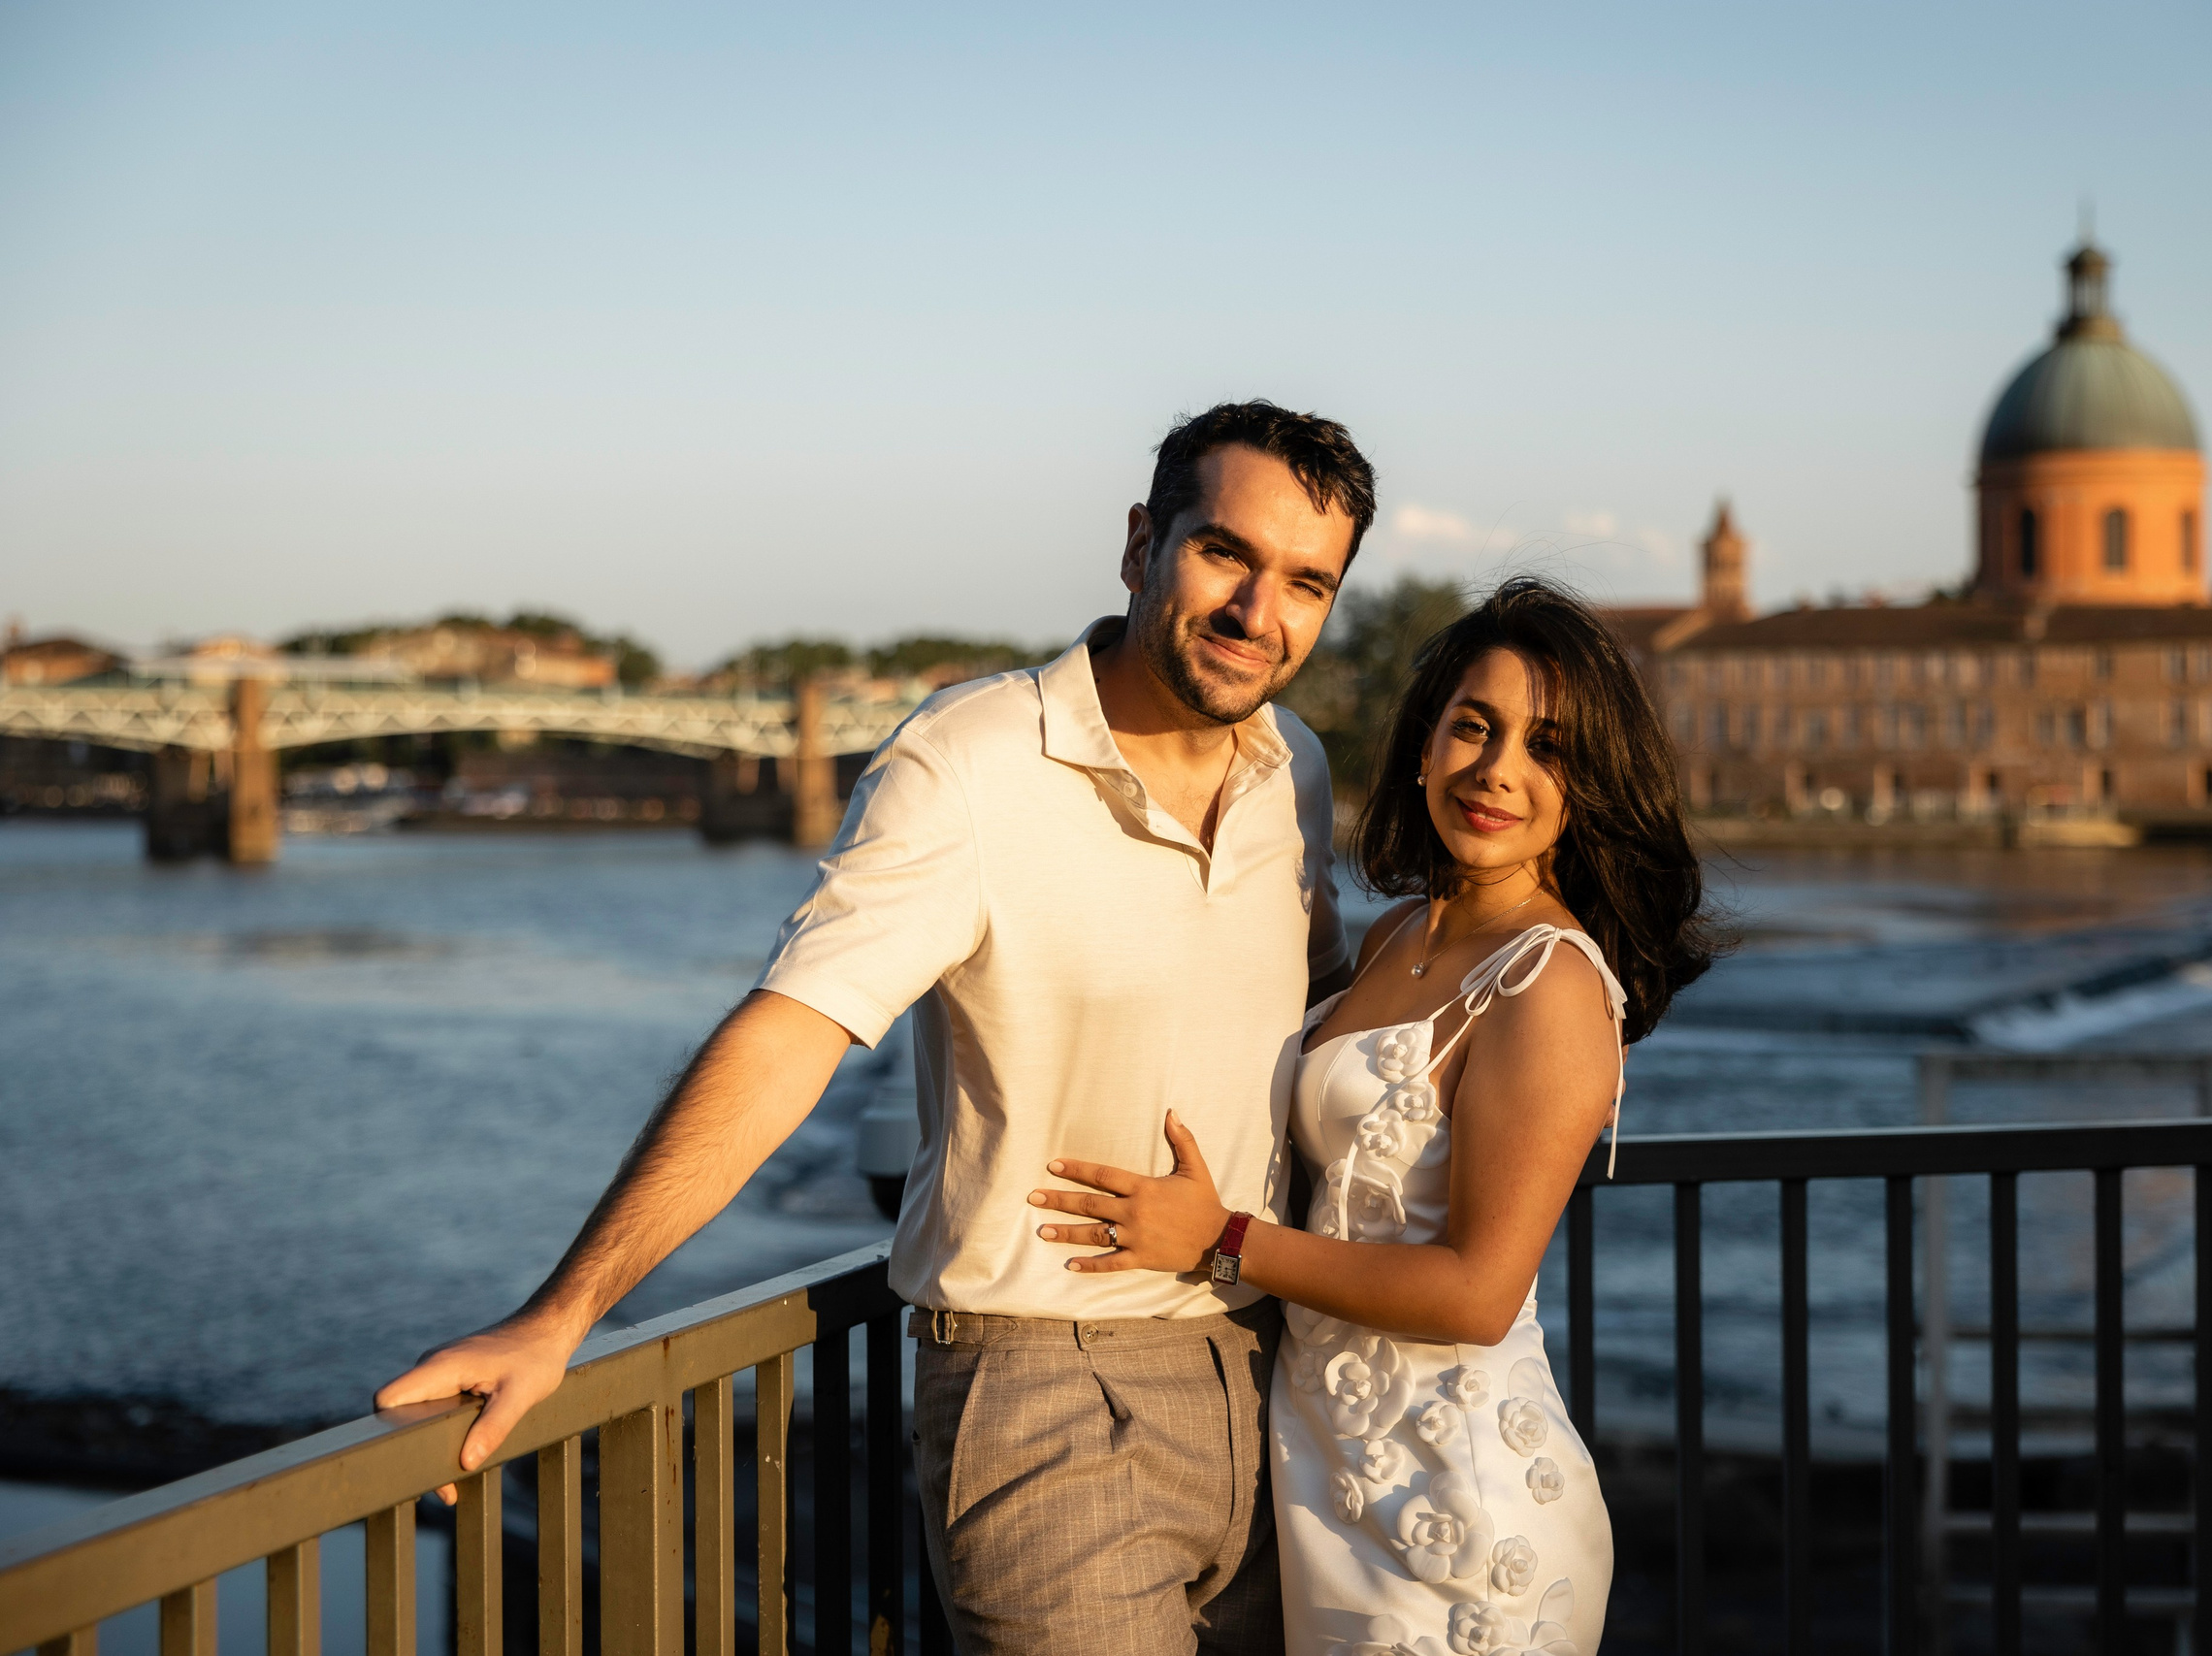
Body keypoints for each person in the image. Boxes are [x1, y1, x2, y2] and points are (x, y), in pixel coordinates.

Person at [376, 400, 1378, 1656]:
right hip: (1052, 1396)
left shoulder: (1298, 763)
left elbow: (1327, 994)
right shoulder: (970, 763)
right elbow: (790, 1033)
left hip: (1267, 1370)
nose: (1257, 611)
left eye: (1306, 583)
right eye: (1225, 553)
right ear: (1141, 543)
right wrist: (564, 1310)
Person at [1028, 578, 1715, 1656]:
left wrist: (1218, 1240)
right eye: (1473, 728)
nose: (1496, 771)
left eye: (1549, 749)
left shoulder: (1547, 984)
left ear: (1589, 788)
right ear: (1423, 742)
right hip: (1323, 1474)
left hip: (1460, 1502)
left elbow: (1478, 1294)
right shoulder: (1398, 934)